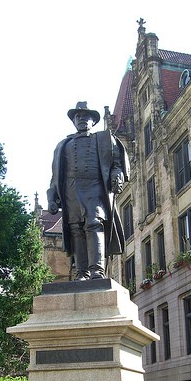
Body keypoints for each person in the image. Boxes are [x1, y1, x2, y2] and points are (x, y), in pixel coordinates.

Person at [47, 102, 129, 280]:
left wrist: (117, 177)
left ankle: (96, 270)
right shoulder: (63, 145)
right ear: (74, 121)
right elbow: (55, 175)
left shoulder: (105, 140)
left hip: (95, 189)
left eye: (86, 116)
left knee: (94, 224)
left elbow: (116, 164)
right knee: (76, 228)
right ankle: (82, 272)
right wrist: (52, 197)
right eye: (78, 117)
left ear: (94, 121)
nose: (82, 119)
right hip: (71, 191)